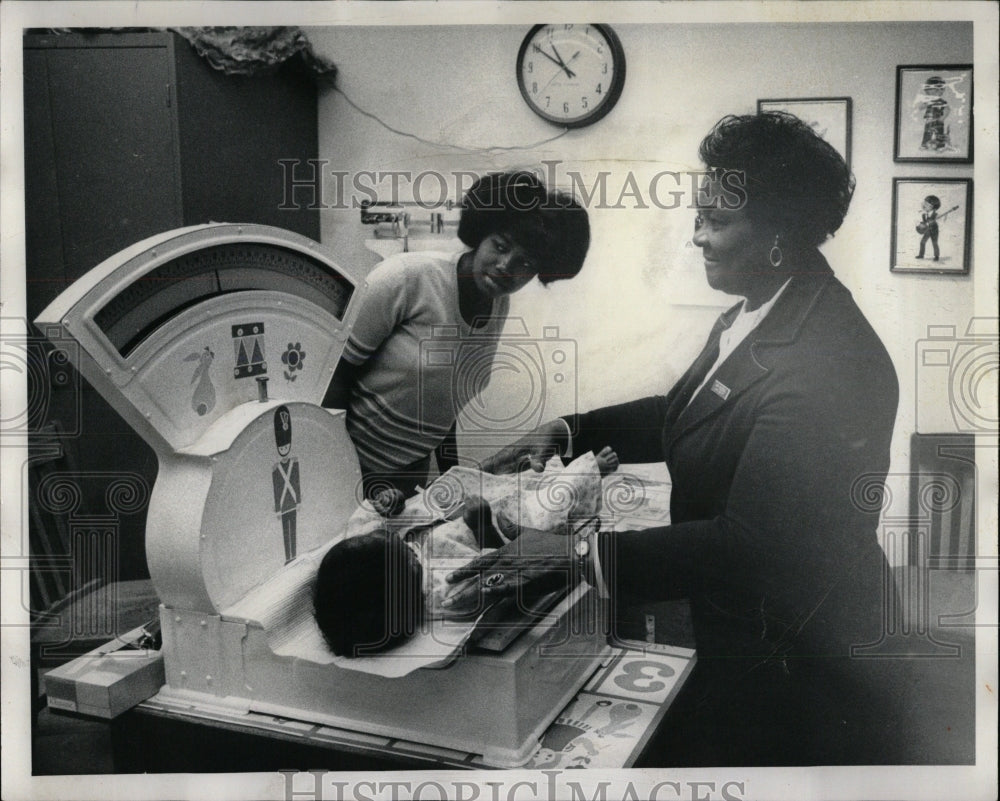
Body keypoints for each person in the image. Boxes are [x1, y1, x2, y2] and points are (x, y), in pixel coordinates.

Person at [448, 112, 917, 765]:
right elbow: (687, 411)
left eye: (716, 221)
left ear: (780, 232)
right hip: (747, 634)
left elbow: (748, 545)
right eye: (699, 216)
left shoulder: (827, 358)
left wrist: (575, 556)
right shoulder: (760, 308)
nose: (697, 236)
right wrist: (568, 430)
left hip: (809, 664)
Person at [322, 171, 590, 500]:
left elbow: (445, 399)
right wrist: (333, 468)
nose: (506, 266)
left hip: (408, 481)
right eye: (501, 246)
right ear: (480, 234)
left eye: (525, 263)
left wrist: (453, 481)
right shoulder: (406, 278)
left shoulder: (497, 305)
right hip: (343, 470)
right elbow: (331, 381)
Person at [314, 448, 619, 657]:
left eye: (388, 539)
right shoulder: (444, 593)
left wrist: (388, 503)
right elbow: (505, 567)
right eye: (405, 555)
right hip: (494, 530)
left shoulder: (362, 556)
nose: (399, 542)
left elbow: (366, 520)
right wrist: (483, 527)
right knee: (542, 509)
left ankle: (534, 474)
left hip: (442, 516)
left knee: (492, 485)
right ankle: (587, 473)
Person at [916, 194, 941, 260]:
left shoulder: (936, 214)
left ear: (933, 207)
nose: (924, 206)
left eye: (927, 205)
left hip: (934, 230)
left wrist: (933, 221)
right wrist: (921, 225)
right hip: (927, 230)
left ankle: (936, 256)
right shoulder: (924, 214)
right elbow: (924, 222)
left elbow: (940, 221)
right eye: (924, 203)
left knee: (934, 243)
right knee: (922, 242)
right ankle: (921, 255)